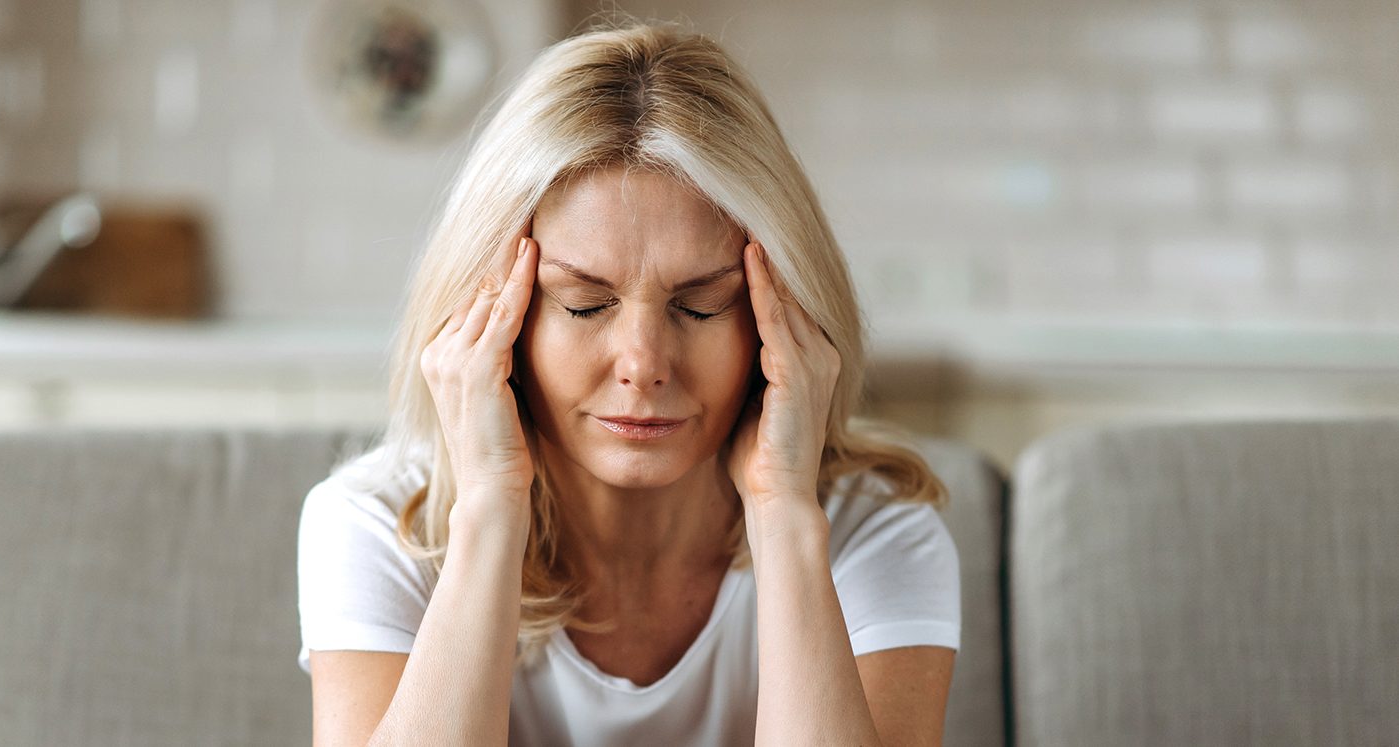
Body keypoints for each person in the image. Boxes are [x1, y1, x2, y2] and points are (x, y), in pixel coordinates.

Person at [297, 20, 960, 746]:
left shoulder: (875, 534)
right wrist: (488, 512)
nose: (643, 362)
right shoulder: (373, 525)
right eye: (584, 303)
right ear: (492, 317)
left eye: (700, 303)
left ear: (784, 316)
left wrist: (783, 515)